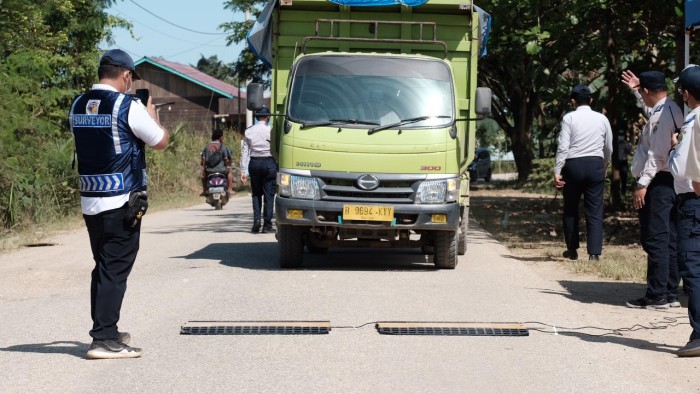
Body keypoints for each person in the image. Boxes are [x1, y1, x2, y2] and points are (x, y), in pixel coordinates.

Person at [69, 49, 169, 359]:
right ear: (126, 75)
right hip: (122, 201)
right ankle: (103, 340)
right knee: (114, 270)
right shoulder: (127, 106)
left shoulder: (77, 104)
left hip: (91, 200)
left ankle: (106, 330)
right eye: (130, 79)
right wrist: (152, 116)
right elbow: (160, 141)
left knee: (103, 268)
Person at [621, 70, 683, 309]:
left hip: (658, 181)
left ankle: (656, 294)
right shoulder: (670, 108)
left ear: (647, 91)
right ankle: (668, 292)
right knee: (669, 238)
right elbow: (651, 110)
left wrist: (641, 184)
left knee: (655, 238)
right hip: (670, 181)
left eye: (642, 92)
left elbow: (657, 156)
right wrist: (637, 91)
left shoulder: (662, 115)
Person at [553, 84, 613, 261]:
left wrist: (557, 170)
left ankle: (572, 249)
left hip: (573, 165)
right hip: (595, 164)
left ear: (573, 101)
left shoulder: (569, 118)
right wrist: (604, 166)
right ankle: (594, 253)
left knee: (570, 208)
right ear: (591, 100)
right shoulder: (602, 119)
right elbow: (608, 147)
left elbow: (563, 147)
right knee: (595, 210)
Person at [669, 65, 700, 356]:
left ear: (687, 94)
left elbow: (681, 170)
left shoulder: (693, 121)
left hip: (694, 202)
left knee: (692, 267)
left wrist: (674, 148)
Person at [240, 106, 277, 233]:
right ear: (268, 117)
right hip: (269, 163)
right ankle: (267, 225)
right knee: (269, 195)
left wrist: (243, 171)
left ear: (256, 117)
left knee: (256, 194)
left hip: (254, 163)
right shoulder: (271, 130)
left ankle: (256, 220)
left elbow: (245, 151)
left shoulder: (249, 131)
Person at [201, 128, 234, 196]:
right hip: (221, 170)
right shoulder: (223, 146)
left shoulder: (207, 147)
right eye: (223, 136)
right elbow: (226, 159)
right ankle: (230, 189)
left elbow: (203, 161)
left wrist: (203, 170)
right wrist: (227, 163)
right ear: (221, 137)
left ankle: (204, 190)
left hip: (209, 171)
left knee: (203, 176)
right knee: (229, 171)